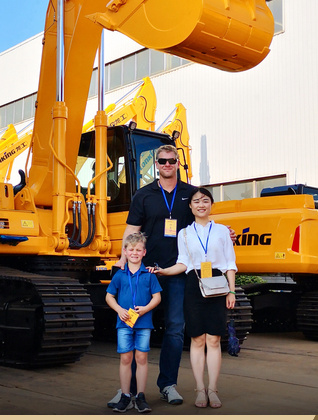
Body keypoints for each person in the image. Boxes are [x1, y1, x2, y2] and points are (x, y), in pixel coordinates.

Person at [110, 145, 195, 406]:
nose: (167, 164)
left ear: (178, 163)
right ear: (156, 164)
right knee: (134, 326)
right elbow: (132, 229)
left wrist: (226, 233)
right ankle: (129, 390)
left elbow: (203, 225)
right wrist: (123, 260)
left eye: (171, 160)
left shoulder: (191, 193)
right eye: (162, 161)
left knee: (175, 329)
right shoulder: (144, 195)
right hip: (145, 273)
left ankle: (168, 385)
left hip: (177, 271)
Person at [154, 187, 237, 409]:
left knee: (214, 340)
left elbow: (230, 263)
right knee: (198, 339)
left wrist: (232, 291)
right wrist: (164, 271)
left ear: (211, 205)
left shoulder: (222, 231)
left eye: (205, 200)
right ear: (190, 206)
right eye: (197, 201)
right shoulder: (184, 234)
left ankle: (213, 389)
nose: (201, 205)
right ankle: (200, 389)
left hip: (217, 285)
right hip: (194, 285)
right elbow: (183, 263)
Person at [106, 232, 162, 413]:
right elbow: (109, 296)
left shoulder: (149, 275)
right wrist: (119, 310)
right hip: (124, 323)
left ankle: (140, 396)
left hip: (144, 323)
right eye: (131, 250)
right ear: (125, 251)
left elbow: (157, 297)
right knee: (125, 358)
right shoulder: (119, 275)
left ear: (144, 252)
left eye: (138, 250)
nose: (135, 253)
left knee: (141, 358)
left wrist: (146, 309)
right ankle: (125, 396)